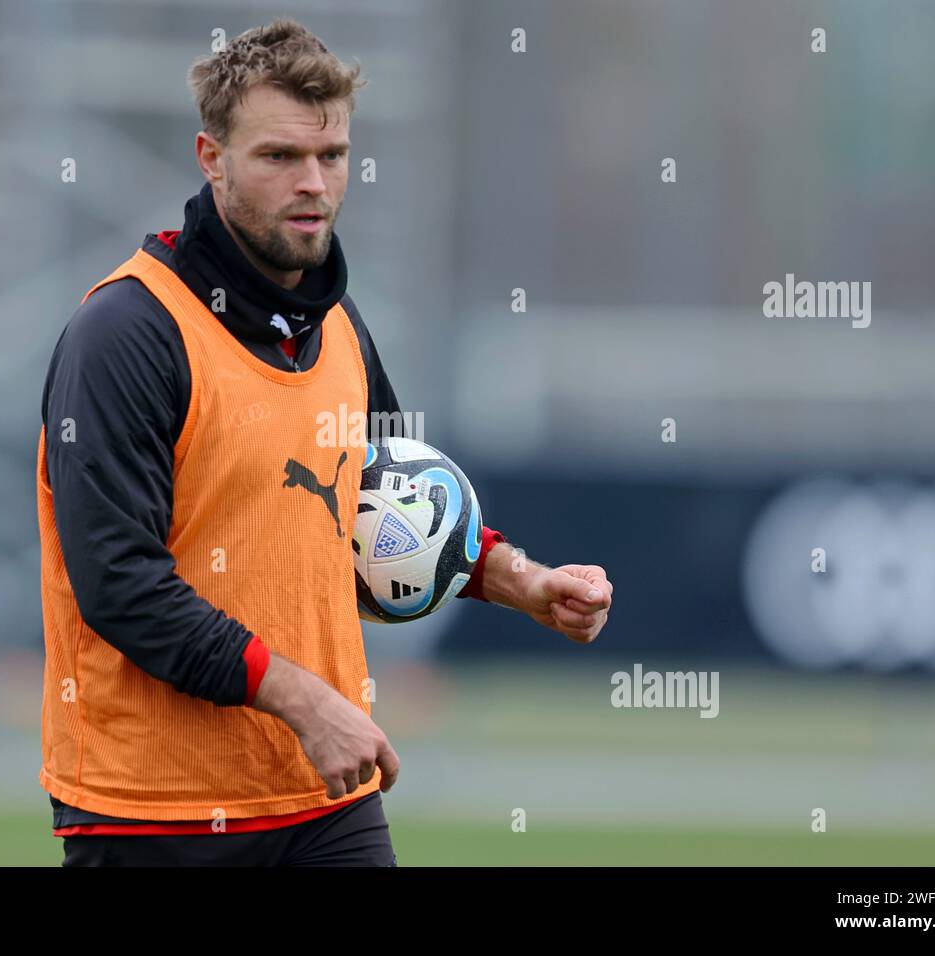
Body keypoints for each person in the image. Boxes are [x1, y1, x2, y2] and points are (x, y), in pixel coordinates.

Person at [35, 18, 613, 867]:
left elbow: (386, 506)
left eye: (332, 155)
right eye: (278, 157)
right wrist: (305, 700)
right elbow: (118, 583)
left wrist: (515, 578)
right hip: (151, 812)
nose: (313, 182)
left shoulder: (338, 325)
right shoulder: (125, 332)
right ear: (211, 157)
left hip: (325, 801)